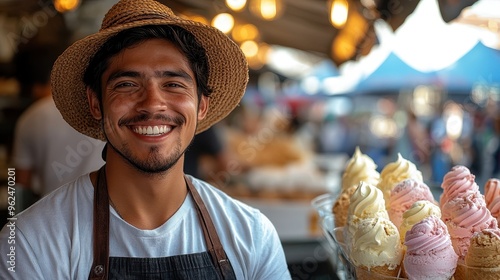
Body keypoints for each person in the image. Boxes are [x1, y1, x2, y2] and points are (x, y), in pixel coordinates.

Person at [0, 0, 291, 279]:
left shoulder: (252, 235)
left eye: (173, 84)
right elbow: (18, 186)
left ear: (202, 105)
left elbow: (20, 182)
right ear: (96, 103)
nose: (153, 104)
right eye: (127, 84)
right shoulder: (30, 241)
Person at [11, 45, 106, 200]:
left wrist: (13, 220)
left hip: (51, 214)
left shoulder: (29, 118)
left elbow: (19, 183)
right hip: (101, 208)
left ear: (32, 87)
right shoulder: (95, 108)